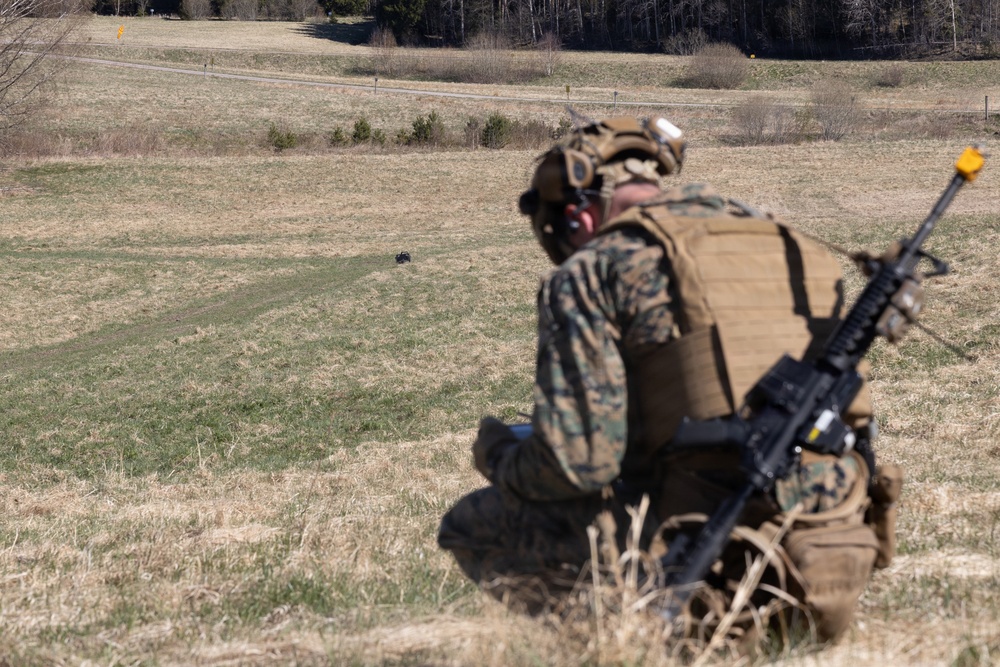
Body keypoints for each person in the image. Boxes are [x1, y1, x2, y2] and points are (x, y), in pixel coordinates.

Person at [438, 116, 900, 642]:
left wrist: (500, 456)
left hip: (709, 550)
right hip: (835, 543)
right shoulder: (786, 244)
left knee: (473, 522)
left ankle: (629, 641)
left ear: (575, 215)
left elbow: (579, 463)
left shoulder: (594, 270)